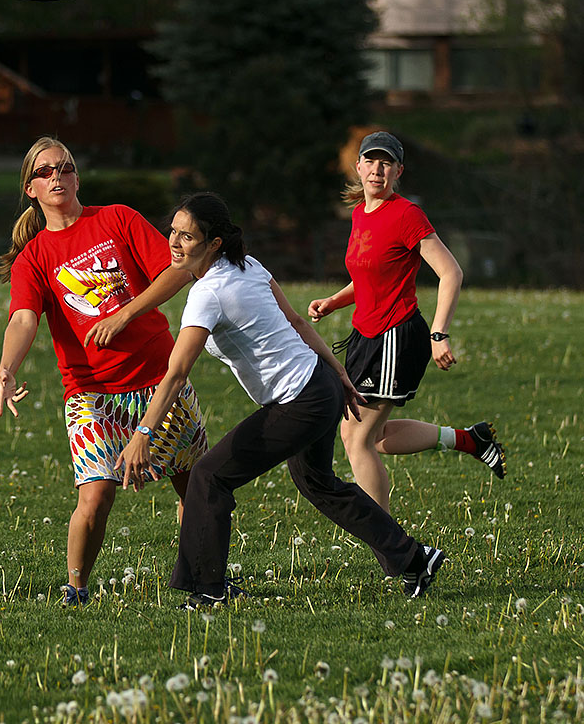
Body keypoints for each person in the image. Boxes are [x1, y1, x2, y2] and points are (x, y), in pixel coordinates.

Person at [119, 192, 445, 607]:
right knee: (319, 482)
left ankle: (208, 590)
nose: (174, 243)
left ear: (214, 243)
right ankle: (415, 559)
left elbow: (177, 372)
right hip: (319, 386)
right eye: (173, 232)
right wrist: (337, 373)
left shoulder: (209, 293)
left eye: (187, 236)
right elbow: (294, 321)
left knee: (208, 477)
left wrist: (143, 432)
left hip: (302, 400)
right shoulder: (247, 266)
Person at [0, 136, 208, 606]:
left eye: (65, 168)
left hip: (159, 378)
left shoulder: (116, 218)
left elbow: (177, 270)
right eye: (45, 172)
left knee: (197, 486)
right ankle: (76, 589)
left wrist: (127, 313)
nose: (57, 177)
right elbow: (24, 317)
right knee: (95, 498)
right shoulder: (35, 257)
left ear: (76, 177)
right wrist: (8, 367)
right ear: (30, 188)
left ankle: (203, 578)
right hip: (92, 392)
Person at [307, 131, 505, 514]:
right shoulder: (360, 213)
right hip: (364, 334)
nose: (377, 170)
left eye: (387, 163)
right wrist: (334, 301)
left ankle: (383, 537)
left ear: (398, 170)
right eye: (371, 161)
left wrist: (439, 333)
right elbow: (369, 275)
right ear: (359, 166)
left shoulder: (407, 215)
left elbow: (451, 273)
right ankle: (470, 440)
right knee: (375, 437)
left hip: (396, 336)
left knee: (356, 437)